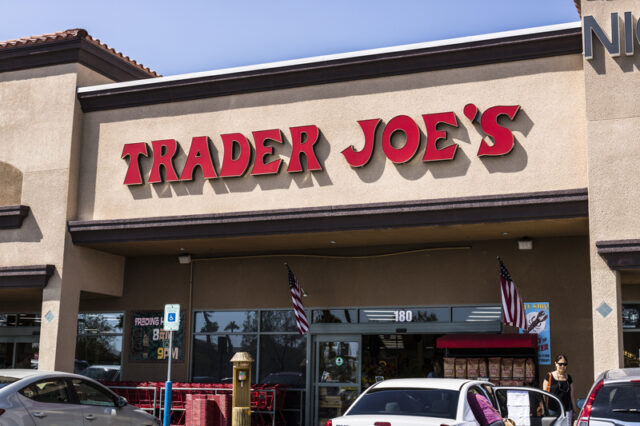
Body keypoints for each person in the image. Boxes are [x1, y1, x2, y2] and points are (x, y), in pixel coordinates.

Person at [542, 354, 575, 424]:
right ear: (556, 364)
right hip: (552, 409)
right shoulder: (549, 376)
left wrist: (574, 409)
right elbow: (544, 394)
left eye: (565, 364)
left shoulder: (568, 377)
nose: (562, 366)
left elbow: (571, 395)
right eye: (560, 364)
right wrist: (544, 409)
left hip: (567, 410)